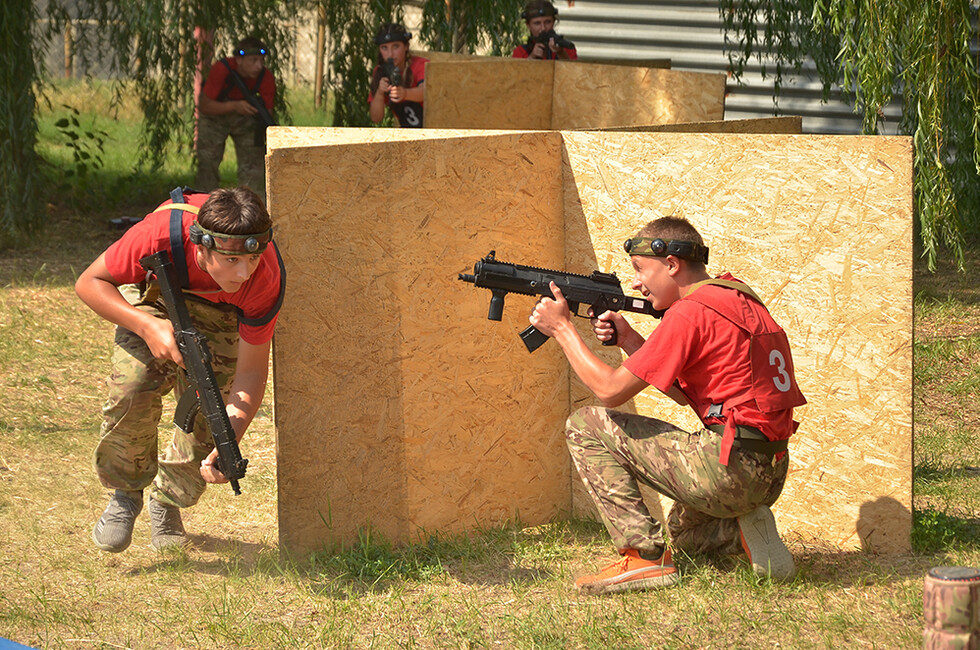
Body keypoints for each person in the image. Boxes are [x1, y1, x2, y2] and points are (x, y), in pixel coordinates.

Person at [529, 216, 806, 595]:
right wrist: (630, 340)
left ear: (672, 265)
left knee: (586, 424)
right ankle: (739, 532)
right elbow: (694, 395)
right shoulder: (737, 298)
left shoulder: (689, 312)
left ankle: (644, 559)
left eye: (641, 270)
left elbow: (610, 391)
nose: (636, 283)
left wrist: (562, 329)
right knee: (683, 534)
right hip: (767, 470)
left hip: (729, 467)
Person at [75, 186, 286, 553]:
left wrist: (231, 435)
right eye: (233, 260)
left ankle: (167, 503)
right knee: (133, 386)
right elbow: (89, 282)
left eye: (252, 259)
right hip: (157, 300)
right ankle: (126, 494)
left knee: (213, 414)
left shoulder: (263, 277)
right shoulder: (158, 234)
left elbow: (251, 375)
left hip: (223, 314)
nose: (245, 271)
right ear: (202, 248)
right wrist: (148, 327)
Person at [196, 37, 276, 194]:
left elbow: (268, 114)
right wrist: (234, 106)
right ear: (238, 59)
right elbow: (205, 106)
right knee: (208, 161)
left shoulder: (266, 78)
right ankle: (205, 204)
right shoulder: (222, 69)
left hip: (246, 120)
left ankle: (251, 207)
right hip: (214, 118)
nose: (258, 66)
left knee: (253, 166)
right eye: (253, 60)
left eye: (261, 60)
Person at [368, 23, 428, 128]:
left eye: (396, 46)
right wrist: (380, 93)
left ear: (406, 46)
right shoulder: (380, 71)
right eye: (384, 48)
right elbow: (376, 118)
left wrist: (405, 94)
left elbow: (427, 92)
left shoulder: (421, 65)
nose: (390, 54)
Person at [512, 1, 578, 61]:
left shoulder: (567, 49)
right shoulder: (520, 52)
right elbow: (516, 73)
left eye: (548, 22)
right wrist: (532, 57)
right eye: (537, 23)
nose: (543, 28)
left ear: (554, 22)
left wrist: (561, 53)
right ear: (528, 25)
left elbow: (572, 71)